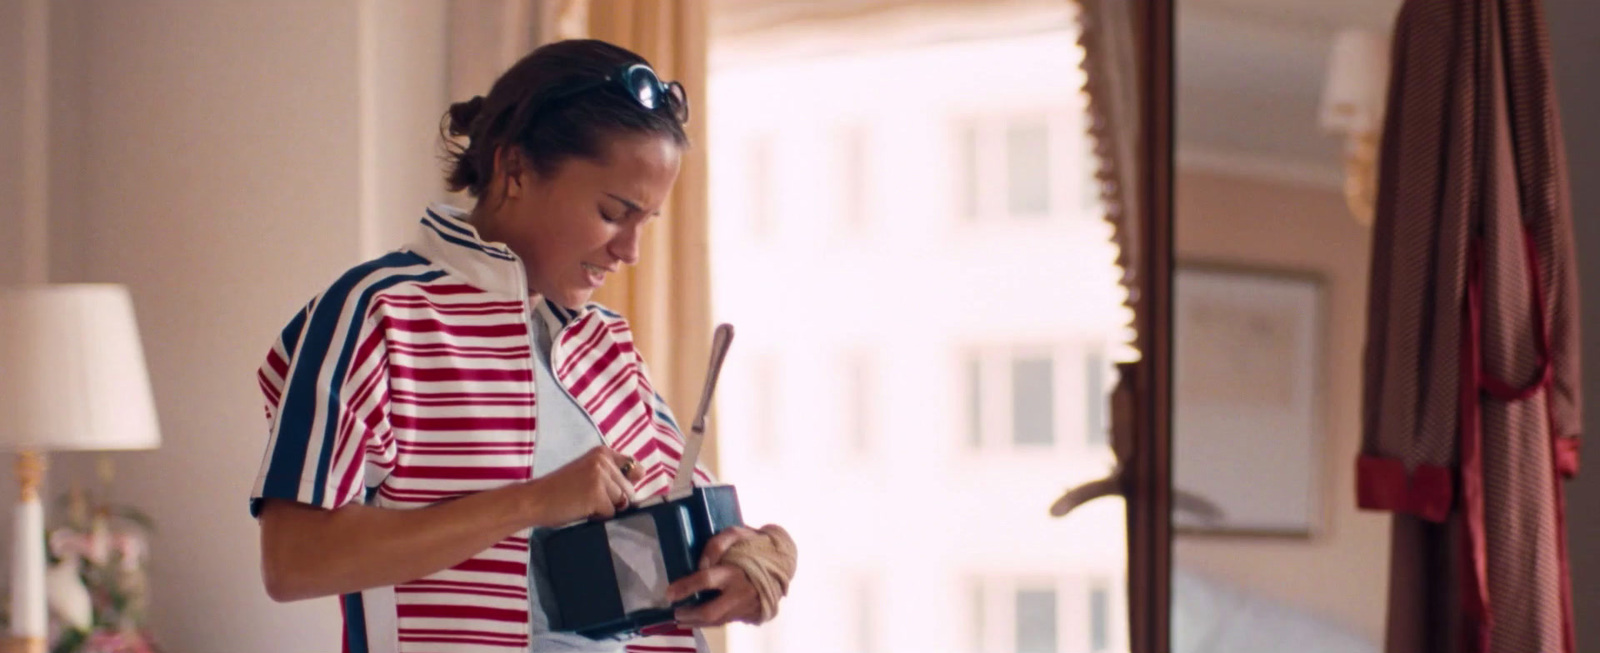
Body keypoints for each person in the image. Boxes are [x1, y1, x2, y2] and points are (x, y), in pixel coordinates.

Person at [249, 39, 796, 653]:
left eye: (648, 222)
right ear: (514, 171)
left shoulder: (604, 344)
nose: (630, 251)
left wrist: (762, 560)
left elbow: (698, 515)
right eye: (615, 212)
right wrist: (533, 502)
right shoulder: (380, 313)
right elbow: (294, 560)